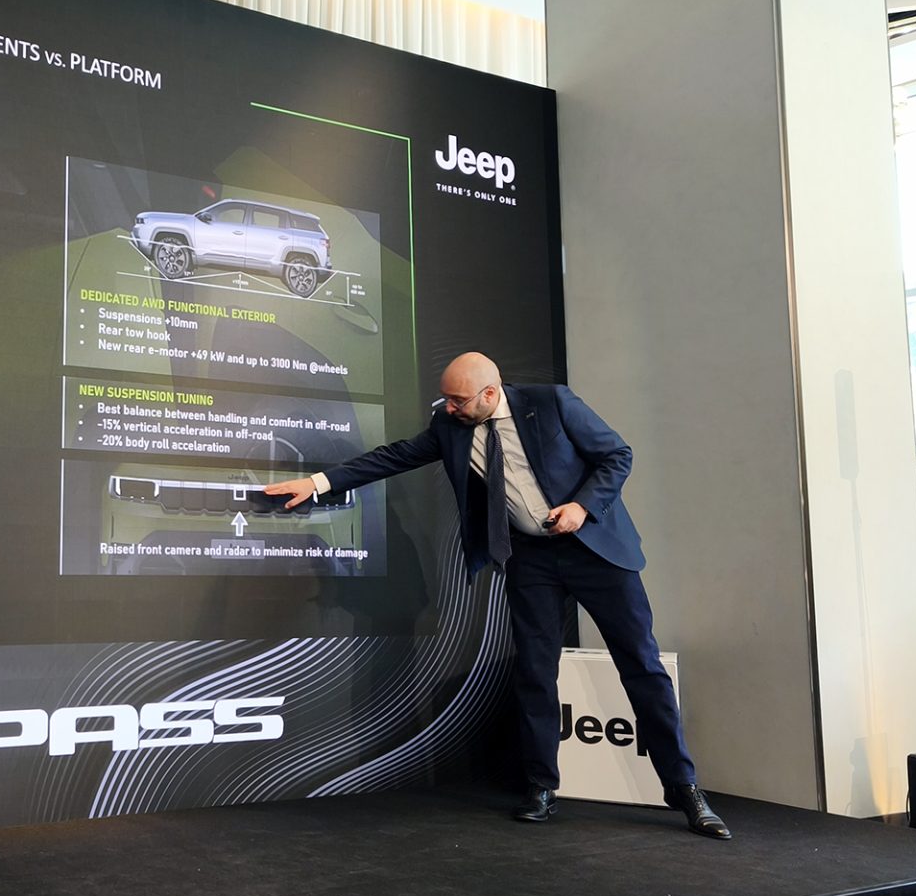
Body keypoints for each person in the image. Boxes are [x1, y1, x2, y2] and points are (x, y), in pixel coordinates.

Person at [264, 352, 729, 839]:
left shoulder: (552, 403)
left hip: (596, 552)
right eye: (446, 399)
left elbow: (617, 456)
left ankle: (684, 789)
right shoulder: (450, 425)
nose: (449, 408)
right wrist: (316, 483)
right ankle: (541, 787)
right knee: (535, 672)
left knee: (641, 666)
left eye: (458, 400)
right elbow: (393, 456)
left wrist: (582, 507)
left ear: (490, 393)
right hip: (530, 559)